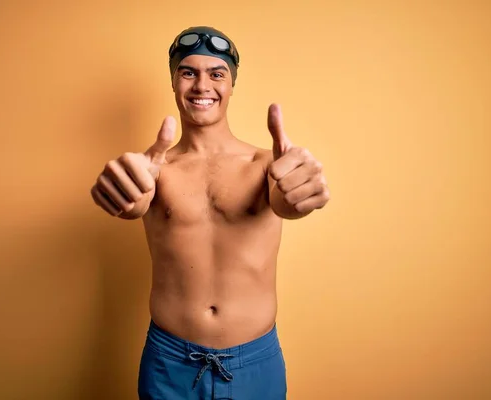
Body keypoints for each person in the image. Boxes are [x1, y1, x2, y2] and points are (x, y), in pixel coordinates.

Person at [90, 26, 329, 400]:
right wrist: (119, 192)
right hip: (170, 363)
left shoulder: (265, 165)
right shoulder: (154, 169)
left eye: (217, 74)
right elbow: (133, 202)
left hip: (255, 362)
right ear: (173, 82)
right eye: (189, 72)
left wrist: (301, 193)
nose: (203, 85)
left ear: (232, 85)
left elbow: (286, 202)